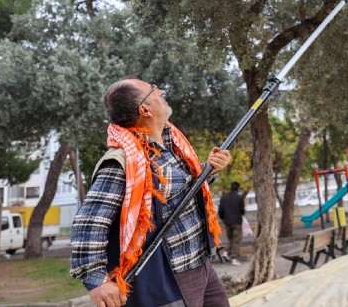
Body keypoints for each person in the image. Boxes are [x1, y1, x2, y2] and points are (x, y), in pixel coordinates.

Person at [70, 78, 232, 307]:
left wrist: (209, 170)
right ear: (144, 109)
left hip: (200, 264)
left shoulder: (173, 144)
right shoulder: (123, 163)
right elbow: (88, 224)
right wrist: (97, 282)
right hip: (168, 279)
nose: (161, 91)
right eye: (155, 90)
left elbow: (178, 193)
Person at [217, 182, 245, 265]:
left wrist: (223, 218)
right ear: (238, 189)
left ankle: (226, 252)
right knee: (236, 240)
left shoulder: (223, 198)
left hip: (227, 222)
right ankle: (234, 259)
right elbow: (242, 211)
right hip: (236, 222)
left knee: (231, 239)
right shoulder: (239, 198)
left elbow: (220, 211)